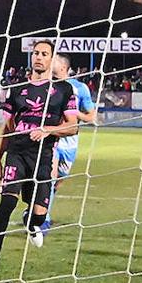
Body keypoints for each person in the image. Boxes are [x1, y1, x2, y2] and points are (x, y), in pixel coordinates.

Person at [0, 40, 79, 273]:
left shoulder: (64, 90)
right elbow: (7, 127)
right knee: (6, 202)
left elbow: (73, 127)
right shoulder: (16, 90)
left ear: (51, 59)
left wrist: (47, 130)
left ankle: (32, 223)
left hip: (44, 156)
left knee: (39, 215)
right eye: (36, 53)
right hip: (17, 153)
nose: (39, 57)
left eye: (44, 53)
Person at [45, 54, 98, 231]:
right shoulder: (47, 86)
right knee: (48, 179)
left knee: (58, 181)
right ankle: (43, 219)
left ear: (64, 68)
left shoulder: (80, 88)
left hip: (71, 142)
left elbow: (91, 117)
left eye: (55, 61)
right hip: (52, 139)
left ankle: (41, 203)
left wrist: (75, 113)